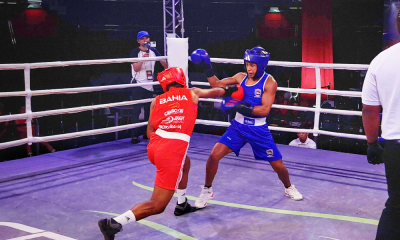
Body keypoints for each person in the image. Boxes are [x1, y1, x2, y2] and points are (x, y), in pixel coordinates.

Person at [98, 67, 241, 239]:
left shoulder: (156, 100)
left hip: (155, 145)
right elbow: (217, 91)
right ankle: (114, 223)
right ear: (181, 80)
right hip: (170, 151)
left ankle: (181, 204)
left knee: (185, 163)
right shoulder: (192, 93)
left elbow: (149, 131)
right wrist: (236, 89)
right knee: (157, 205)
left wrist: (164, 143)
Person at [191, 47, 303, 209]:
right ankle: (207, 190)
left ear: (262, 65)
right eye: (247, 64)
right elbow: (215, 84)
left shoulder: (269, 82)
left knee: (278, 166)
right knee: (214, 156)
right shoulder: (240, 77)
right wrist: (207, 65)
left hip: (259, 130)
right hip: (238, 127)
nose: (249, 68)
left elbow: (264, 109)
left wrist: (240, 106)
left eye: (253, 65)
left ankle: (288, 187)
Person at [362, 42, 400, 240]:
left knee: (396, 207)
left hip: (396, 146)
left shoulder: (381, 60)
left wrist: (372, 144)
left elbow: (370, 110)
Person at [129, 30, 168, 144]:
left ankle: (147, 133)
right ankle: (134, 135)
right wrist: (143, 59)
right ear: (138, 41)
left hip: (150, 85)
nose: (145, 40)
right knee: (136, 111)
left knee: (148, 111)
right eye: (142, 38)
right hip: (138, 84)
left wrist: (165, 63)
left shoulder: (154, 51)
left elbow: (164, 64)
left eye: (147, 38)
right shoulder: (134, 52)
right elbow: (136, 68)